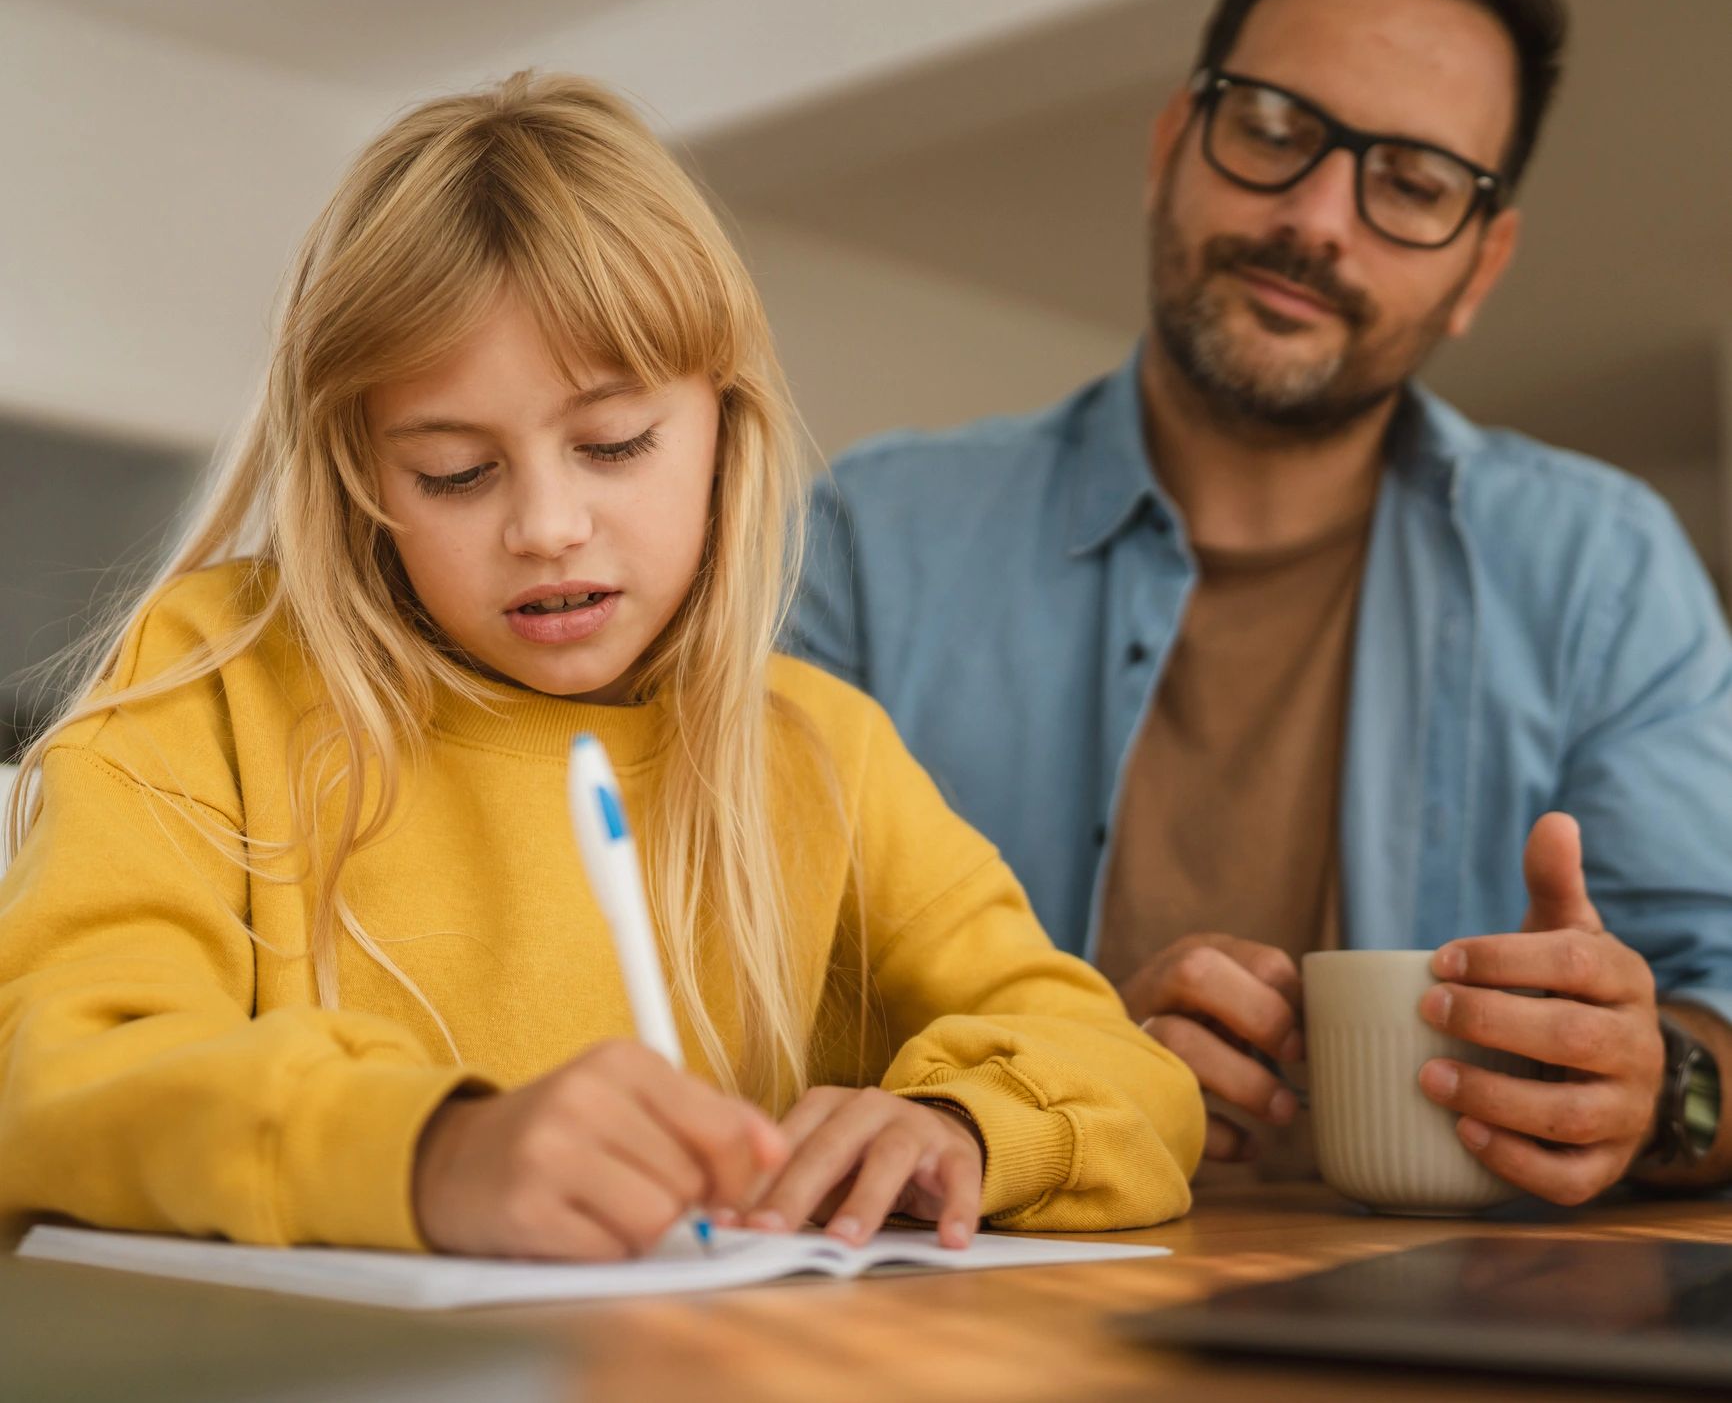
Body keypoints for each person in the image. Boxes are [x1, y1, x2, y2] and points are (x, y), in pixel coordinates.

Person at [0, 74, 1202, 1259]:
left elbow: (1127, 1076)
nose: (547, 525)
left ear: (728, 425)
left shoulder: (821, 750)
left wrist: (962, 1125)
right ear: (358, 477)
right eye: (456, 472)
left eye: (614, 444)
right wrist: (435, 1154)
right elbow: (63, 1075)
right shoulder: (214, 687)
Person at [791, 0, 1732, 1204]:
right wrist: (1057, 1069)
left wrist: (1658, 1086)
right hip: (970, 1309)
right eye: (1276, 129)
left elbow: (1720, 994)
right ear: (1174, 139)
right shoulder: (869, 546)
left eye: (1411, 182)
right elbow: (714, 992)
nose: (1320, 219)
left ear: (1480, 268)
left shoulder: (1605, 568)